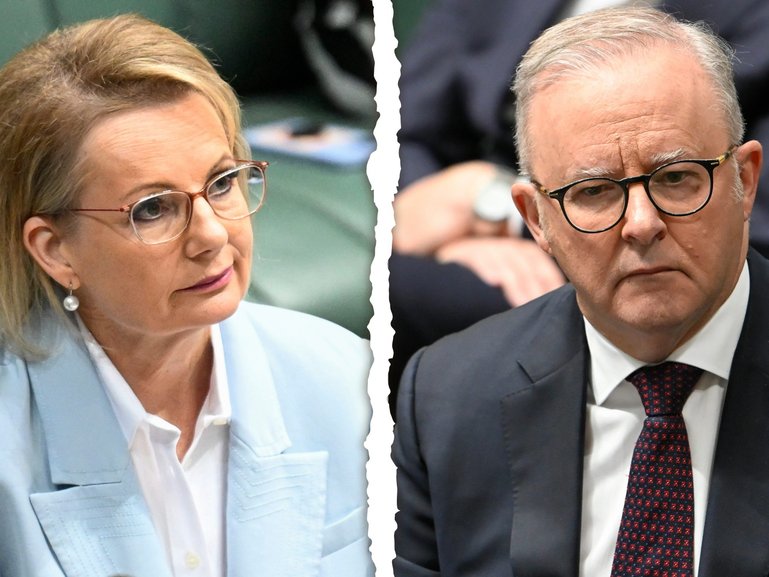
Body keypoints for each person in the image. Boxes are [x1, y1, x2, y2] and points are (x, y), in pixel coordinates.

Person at [393, 7, 769, 576]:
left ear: (745, 180)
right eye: (593, 192)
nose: (642, 223)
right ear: (536, 220)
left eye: (676, 177)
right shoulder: (444, 399)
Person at [0, 14, 372, 577]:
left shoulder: (348, 379)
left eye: (222, 182)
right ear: (55, 251)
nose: (214, 235)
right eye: (152, 208)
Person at [389, 0, 769, 396]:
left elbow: (758, 220)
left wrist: (497, 209)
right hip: (517, 225)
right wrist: (459, 234)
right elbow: (408, 130)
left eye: (675, 176)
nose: (640, 222)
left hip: (611, 264)